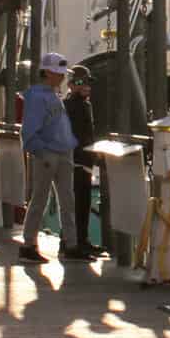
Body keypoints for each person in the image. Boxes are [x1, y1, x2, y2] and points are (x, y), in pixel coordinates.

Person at [18, 53, 80, 264]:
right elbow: (29, 131)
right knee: (40, 200)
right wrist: (41, 152)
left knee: (66, 200)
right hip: (49, 154)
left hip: (62, 152)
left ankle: (70, 244)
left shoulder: (51, 95)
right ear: (49, 73)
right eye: (59, 73)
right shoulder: (37, 97)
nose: (62, 78)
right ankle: (28, 244)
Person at [62, 64, 101, 262]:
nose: (86, 87)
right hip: (76, 161)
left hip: (84, 161)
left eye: (87, 83)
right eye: (81, 83)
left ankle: (82, 240)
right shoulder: (70, 105)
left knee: (84, 203)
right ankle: (72, 242)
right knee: (76, 204)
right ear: (72, 84)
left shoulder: (85, 105)